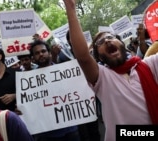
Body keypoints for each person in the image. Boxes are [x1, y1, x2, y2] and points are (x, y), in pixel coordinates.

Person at [63, 1, 158, 141]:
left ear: (122, 44)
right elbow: (82, 57)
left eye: (110, 37)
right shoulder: (102, 78)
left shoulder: (150, 65)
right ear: (98, 56)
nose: (107, 41)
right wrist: (70, 9)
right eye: (100, 42)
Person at [29, 39, 80, 141]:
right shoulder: (28, 80)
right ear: (33, 58)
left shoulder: (64, 72)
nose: (41, 54)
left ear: (49, 53)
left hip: (69, 129)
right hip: (46, 133)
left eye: (43, 51)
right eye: (37, 53)